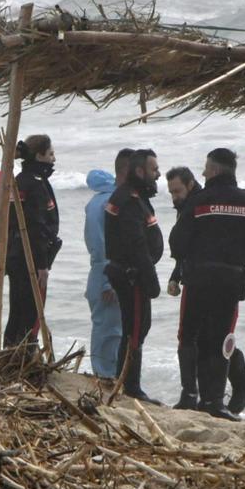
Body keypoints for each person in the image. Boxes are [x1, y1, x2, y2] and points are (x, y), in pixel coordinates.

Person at [169, 148, 245, 420]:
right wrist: (236, 258)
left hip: (199, 279)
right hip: (231, 279)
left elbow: (178, 243)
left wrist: (197, 257)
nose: (202, 173)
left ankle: (190, 396)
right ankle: (215, 401)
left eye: (205, 168)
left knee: (189, 336)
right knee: (220, 339)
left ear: (213, 170)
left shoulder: (199, 201)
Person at [104, 148, 164, 404]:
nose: (158, 173)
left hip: (132, 271)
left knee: (137, 327)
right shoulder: (129, 199)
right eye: (153, 169)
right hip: (132, 275)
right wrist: (150, 280)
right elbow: (136, 244)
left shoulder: (136, 195)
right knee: (136, 328)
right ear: (140, 171)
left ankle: (125, 380)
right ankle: (130, 385)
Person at [3, 135, 61, 348]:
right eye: (51, 154)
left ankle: (11, 353)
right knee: (31, 312)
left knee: (17, 309)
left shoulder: (20, 180)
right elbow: (36, 228)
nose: (54, 159)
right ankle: (23, 357)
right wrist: (42, 265)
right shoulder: (35, 184)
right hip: (29, 257)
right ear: (39, 155)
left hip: (16, 255)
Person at [84, 148, 133, 378]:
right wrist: (108, 280)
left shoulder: (108, 198)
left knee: (114, 328)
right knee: (108, 329)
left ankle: (110, 374)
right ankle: (104, 376)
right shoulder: (106, 202)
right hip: (105, 272)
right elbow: (100, 244)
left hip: (108, 271)